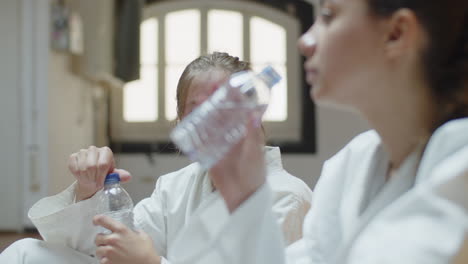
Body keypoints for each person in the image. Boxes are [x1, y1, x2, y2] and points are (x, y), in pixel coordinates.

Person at [160, 0, 468, 263]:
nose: (305, 41)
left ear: (396, 34)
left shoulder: (459, 166)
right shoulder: (351, 166)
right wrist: (244, 194)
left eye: (329, 15)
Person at [0, 52, 312, 264]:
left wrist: (151, 262)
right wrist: (88, 190)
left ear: (253, 112)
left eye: (223, 104)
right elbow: (104, 250)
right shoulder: (176, 187)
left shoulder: (286, 196)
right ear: (181, 122)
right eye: (196, 109)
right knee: (24, 253)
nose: (212, 118)